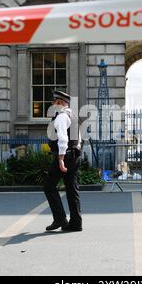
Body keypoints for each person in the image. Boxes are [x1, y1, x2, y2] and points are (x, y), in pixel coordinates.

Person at [43, 90, 83, 232]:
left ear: (60, 103)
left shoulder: (61, 117)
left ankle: (60, 219)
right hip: (74, 156)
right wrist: (75, 151)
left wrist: (61, 159)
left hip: (65, 156)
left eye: (55, 102)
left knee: (48, 186)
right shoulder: (73, 115)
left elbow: (63, 139)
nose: (53, 104)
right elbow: (78, 138)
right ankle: (76, 223)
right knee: (72, 190)